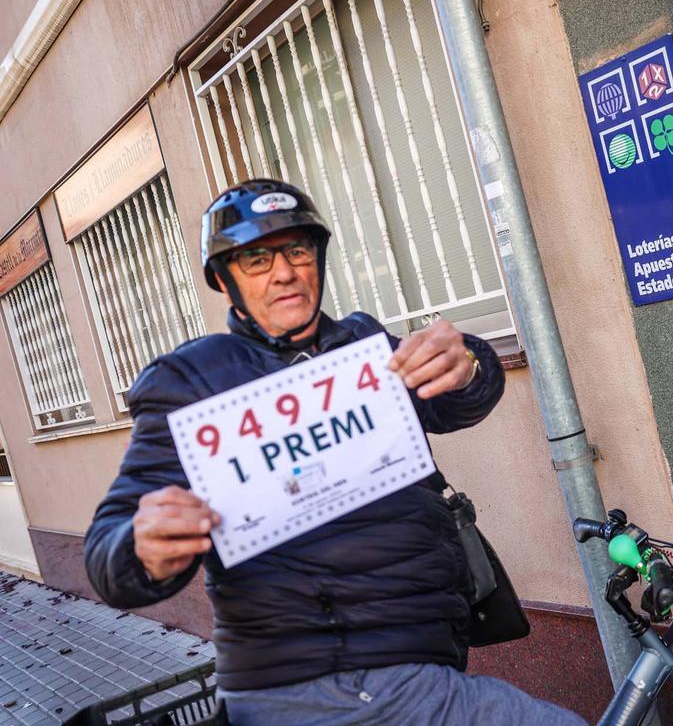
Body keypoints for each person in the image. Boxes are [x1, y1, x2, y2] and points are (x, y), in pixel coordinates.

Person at [84, 179, 585, 726]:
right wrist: (141, 547)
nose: (285, 272)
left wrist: (469, 361)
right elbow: (112, 554)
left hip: (427, 655)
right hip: (324, 681)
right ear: (226, 283)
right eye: (255, 259)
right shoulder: (191, 381)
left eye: (297, 250)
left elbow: (454, 406)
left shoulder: (362, 347)